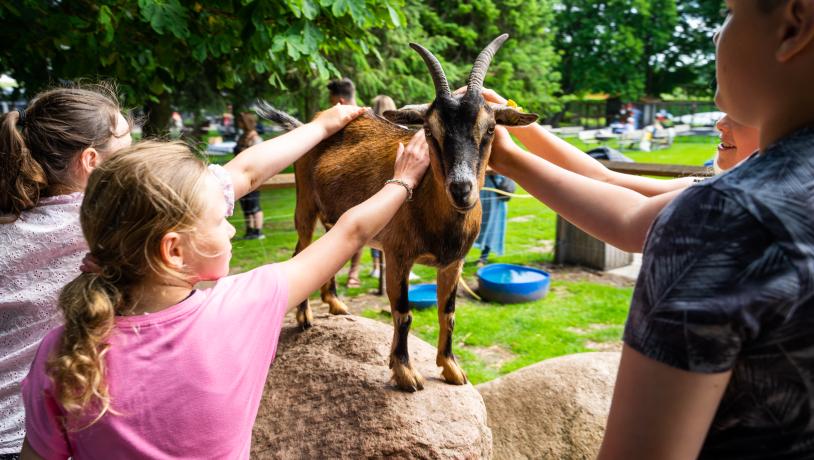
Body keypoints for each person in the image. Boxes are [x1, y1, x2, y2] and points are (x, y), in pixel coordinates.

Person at [495, 0, 814, 456]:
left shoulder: (728, 215)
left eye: (728, 12)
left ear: (795, 24)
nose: (715, 35)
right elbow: (616, 194)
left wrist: (507, 155)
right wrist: (512, 145)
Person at [0, 84, 365, 459]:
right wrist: (322, 127)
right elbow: (247, 172)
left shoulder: (9, 231)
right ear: (92, 160)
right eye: (128, 143)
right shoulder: (120, 219)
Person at [234, 112, 265, 240]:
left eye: (241, 121)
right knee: (246, 205)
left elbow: (259, 159)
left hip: (252, 176)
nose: (238, 124)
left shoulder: (255, 139)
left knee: (254, 204)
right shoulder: (241, 137)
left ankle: (258, 231)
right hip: (241, 175)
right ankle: (250, 230)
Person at [474, 171, 514, 267]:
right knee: (472, 225)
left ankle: (483, 258)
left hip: (496, 196)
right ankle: (461, 257)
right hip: (480, 193)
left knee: (492, 226)